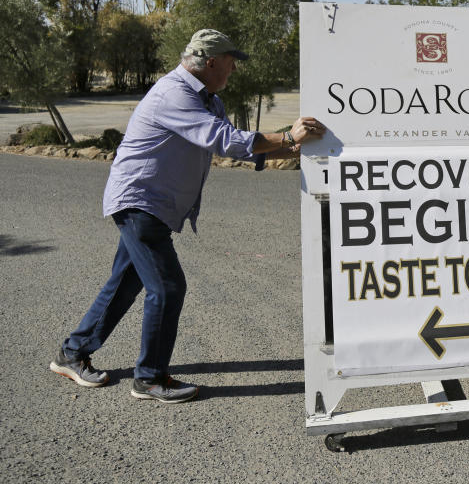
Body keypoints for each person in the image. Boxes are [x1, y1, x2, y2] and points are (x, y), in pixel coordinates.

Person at [49, 29, 326, 404]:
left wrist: (307, 151)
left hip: (154, 205)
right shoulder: (174, 94)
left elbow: (240, 147)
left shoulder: (209, 99)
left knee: (126, 283)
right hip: (139, 201)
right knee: (167, 286)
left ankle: (71, 352)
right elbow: (224, 139)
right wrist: (288, 137)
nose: (233, 69)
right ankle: (149, 379)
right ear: (211, 62)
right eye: (230, 62)